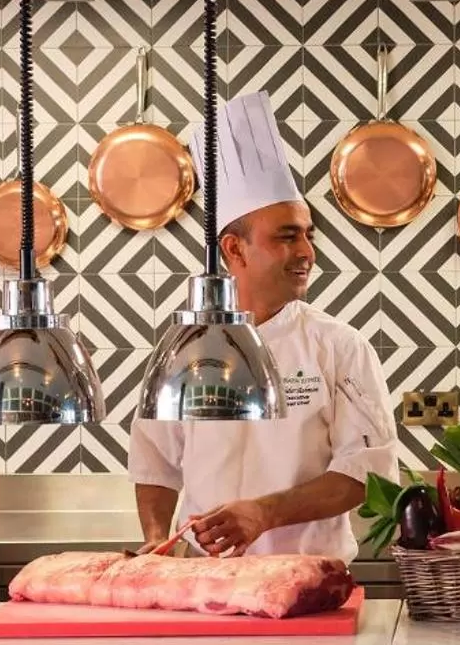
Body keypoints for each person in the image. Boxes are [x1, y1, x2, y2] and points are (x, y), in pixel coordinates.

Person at [129, 92, 399, 559]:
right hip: (204, 585)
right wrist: (156, 537)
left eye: (308, 235)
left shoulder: (339, 347)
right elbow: (155, 462)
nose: (307, 253)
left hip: (307, 581)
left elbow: (368, 474)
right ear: (234, 250)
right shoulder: (183, 351)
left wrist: (264, 514)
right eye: (287, 236)